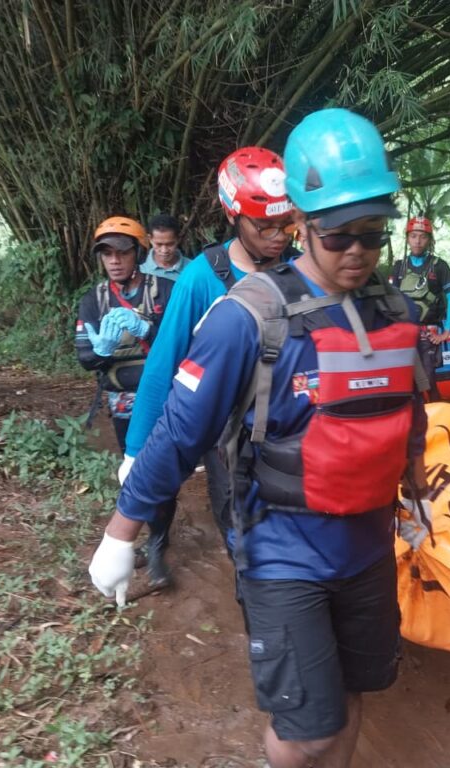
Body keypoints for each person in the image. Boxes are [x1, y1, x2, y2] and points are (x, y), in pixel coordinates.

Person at [89, 107, 431, 768]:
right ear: (300, 220)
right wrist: (120, 534)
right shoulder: (248, 316)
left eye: (371, 233)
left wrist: (414, 482)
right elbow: (180, 429)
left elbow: (408, 407)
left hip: (367, 547)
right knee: (307, 731)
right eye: (338, 234)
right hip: (282, 551)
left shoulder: (394, 311)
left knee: (353, 694)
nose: (357, 251)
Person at [120, 147, 298, 548]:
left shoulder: (300, 270)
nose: (277, 236)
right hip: (230, 439)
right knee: (243, 539)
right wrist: (136, 450)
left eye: (285, 224)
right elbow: (163, 364)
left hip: (292, 431)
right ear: (233, 215)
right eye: (264, 226)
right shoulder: (202, 278)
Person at [75, 216, 177, 587]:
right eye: (107, 254)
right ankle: (141, 536)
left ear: (138, 253)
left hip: (164, 397)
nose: (114, 261)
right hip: (122, 400)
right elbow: (85, 357)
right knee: (133, 472)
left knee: (162, 469)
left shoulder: (165, 291)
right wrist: (101, 350)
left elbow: (187, 342)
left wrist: (148, 328)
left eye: (122, 252)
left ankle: (158, 543)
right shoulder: (94, 300)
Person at [388, 216, 450, 399]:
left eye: (422, 236)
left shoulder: (439, 266)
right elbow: (392, 300)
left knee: (428, 380)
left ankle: (435, 412)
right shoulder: (399, 267)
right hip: (405, 333)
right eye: (413, 236)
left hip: (428, 333)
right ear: (407, 238)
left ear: (429, 240)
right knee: (406, 381)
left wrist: (447, 331)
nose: (417, 241)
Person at [141, 213, 190, 279]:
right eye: (159, 244)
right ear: (150, 239)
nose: (164, 250)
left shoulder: (193, 269)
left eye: (170, 244)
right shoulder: (139, 270)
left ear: (178, 239)